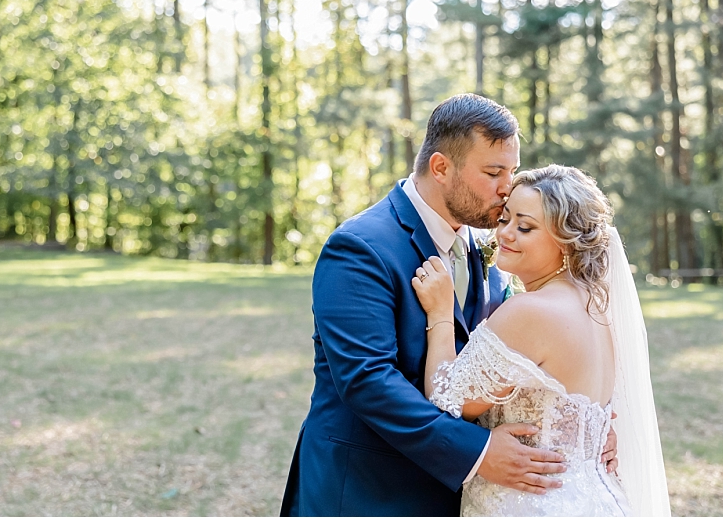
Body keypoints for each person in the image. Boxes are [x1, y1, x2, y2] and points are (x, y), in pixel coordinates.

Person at [280, 94, 616, 516]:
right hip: (369, 491)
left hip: (463, 496)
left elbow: (521, 363)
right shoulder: (361, 247)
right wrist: (478, 452)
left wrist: (582, 430)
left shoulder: (492, 250)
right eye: (493, 172)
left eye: (511, 171)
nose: (506, 187)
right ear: (441, 167)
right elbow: (367, 379)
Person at [412, 164, 671, 516]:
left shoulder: (532, 311)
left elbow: (446, 398)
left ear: (566, 242)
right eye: (505, 219)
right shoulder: (596, 306)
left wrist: (440, 314)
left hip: (533, 503)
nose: (505, 234)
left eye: (526, 226)